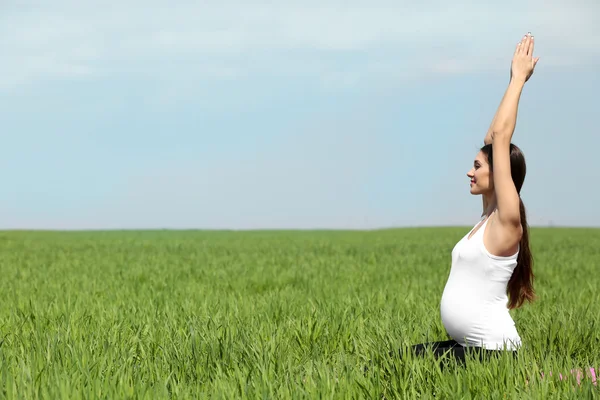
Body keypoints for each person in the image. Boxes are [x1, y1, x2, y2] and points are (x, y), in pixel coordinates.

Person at [411, 32, 540, 365]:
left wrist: (518, 80)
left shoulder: (507, 221)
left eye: (477, 166)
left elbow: (500, 137)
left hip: (494, 355)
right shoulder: (487, 216)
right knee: (393, 364)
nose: (470, 172)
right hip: (470, 349)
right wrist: (510, 85)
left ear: (498, 175)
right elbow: (491, 138)